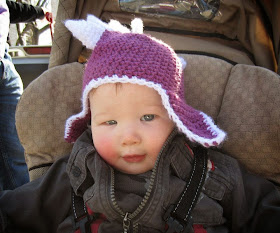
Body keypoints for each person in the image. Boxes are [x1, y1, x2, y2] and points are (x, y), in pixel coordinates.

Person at [0, 15, 280, 233]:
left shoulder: (215, 174)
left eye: (148, 117)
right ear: (90, 123)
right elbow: (13, 212)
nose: (129, 137)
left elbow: (266, 211)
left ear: (175, 116)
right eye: (109, 121)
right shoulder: (72, 175)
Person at [0, 0, 52, 190]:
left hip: (4, 63)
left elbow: (7, 8)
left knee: (14, 149)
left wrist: (39, 12)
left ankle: (19, 209)